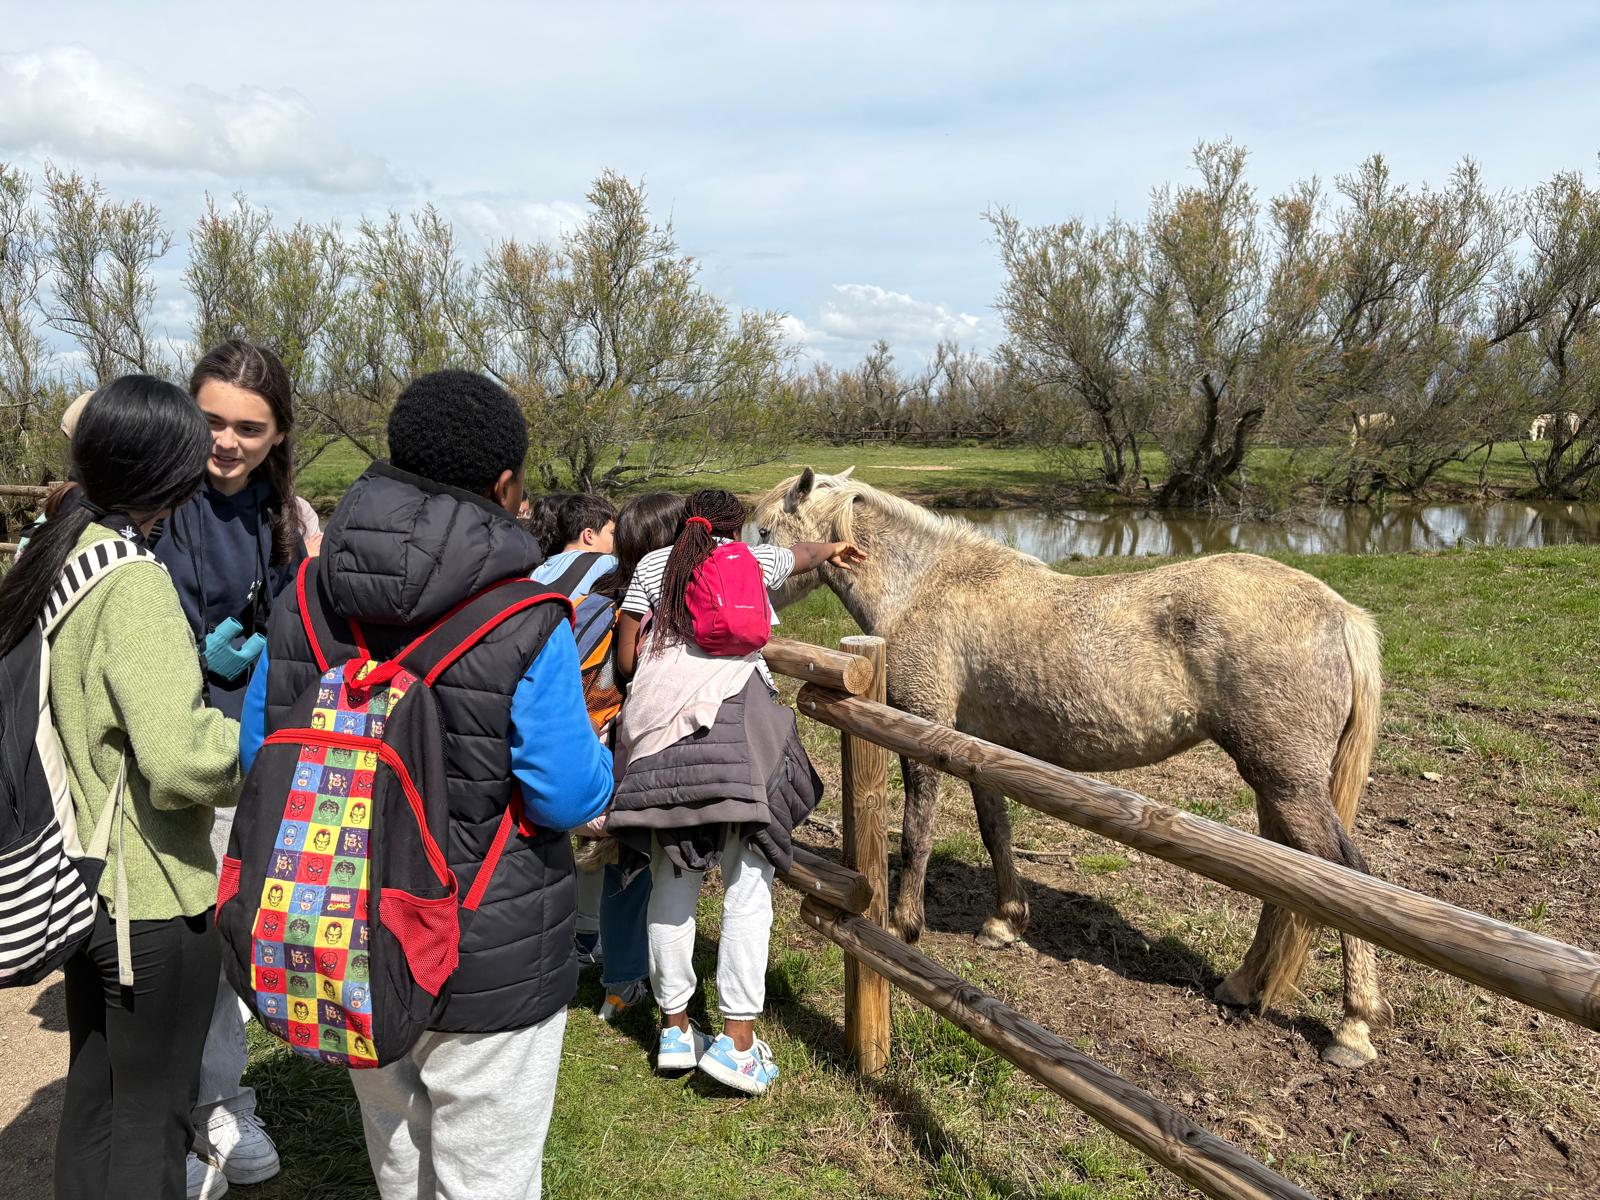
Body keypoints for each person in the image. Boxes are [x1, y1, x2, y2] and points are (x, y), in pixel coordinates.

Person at [239, 369, 612, 1200]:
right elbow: (566, 794)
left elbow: (259, 755)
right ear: (506, 486)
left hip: (347, 927)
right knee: (489, 1169)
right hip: (489, 946)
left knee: (396, 1144)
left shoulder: (303, 597)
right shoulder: (526, 614)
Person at [0, 376, 242, 1200]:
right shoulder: (133, 579)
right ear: (171, 472)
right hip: (151, 893)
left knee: (97, 1100)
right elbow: (177, 760)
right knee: (151, 1120)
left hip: (81, 876)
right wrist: (257, 750)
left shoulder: (56, 553)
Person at [606, 489, 862, 1094]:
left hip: (664, 737)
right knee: (748, 887)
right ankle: (738, 1043)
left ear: (686, 523)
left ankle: (675, 1030)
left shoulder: (654, 565)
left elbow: (626, 660)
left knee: (671, 881)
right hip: (740, 733)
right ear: (735, 525)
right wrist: (834, 547)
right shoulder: (752, 559)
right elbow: (801, 555)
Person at [157, 341, 310, 1198]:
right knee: (187, 943)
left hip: (254, 754)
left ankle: (222, 1100)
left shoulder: (286, 517)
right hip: (172, 757)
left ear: (278, 433)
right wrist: (197, 661)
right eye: (211, 420)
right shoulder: (156, 506)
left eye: (249, 428)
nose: (226, 441)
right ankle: (203, 1112)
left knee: (237, 930)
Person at [569, 492, 686, 1022]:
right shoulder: (658, 606)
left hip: (586, 749)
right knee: (638, 865)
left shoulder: (597, 595)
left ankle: (612, 975)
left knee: (620, 861)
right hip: (633, 749)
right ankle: (630, 981)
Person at [529, 492, 620, 967]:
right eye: (611, 533)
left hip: (536, 704)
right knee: (596, 824)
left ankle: (551, 931)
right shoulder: (606, 568)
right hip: (589, 703)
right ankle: (586, 934)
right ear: (589, 535)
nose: (616, 543)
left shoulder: (535, 572)